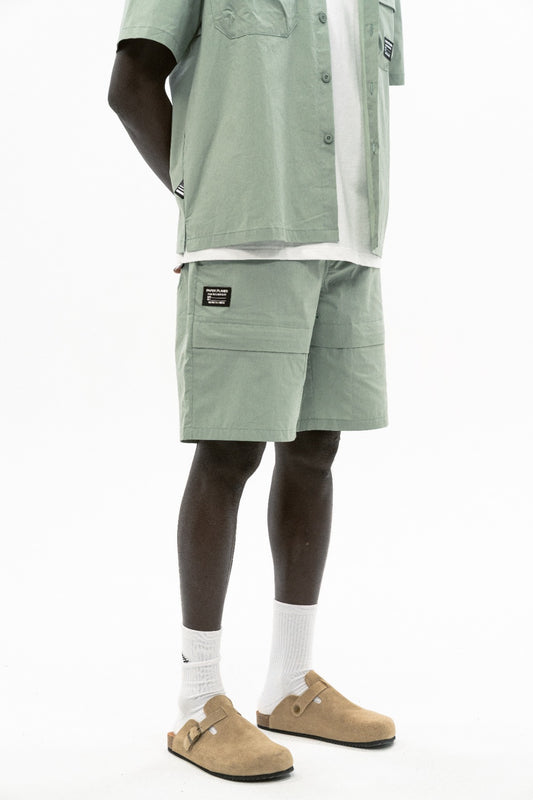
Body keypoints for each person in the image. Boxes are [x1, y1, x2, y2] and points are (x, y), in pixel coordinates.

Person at [108, 0, 405, 783]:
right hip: (246, 241)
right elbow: (130, 84)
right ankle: (197, 702)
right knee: (229, 454)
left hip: (350, 250)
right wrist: (202, 198)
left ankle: (289, 684)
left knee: (314, 452)